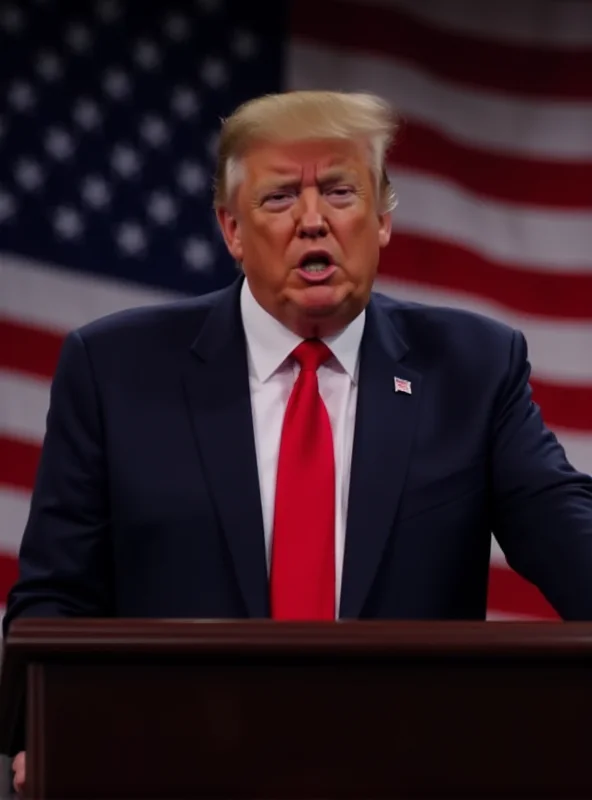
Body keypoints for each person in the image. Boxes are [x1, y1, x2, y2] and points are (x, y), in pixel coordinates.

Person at [4, 90, 592, 794]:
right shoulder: (115, 371)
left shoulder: (471, 368)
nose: (313, 221)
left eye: (340, 191)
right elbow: (53, 600)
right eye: (280, 198)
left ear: (381, 219)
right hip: (176, 774)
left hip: (407, 778)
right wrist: (41, 732)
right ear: (231, 230)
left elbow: (568, 539)